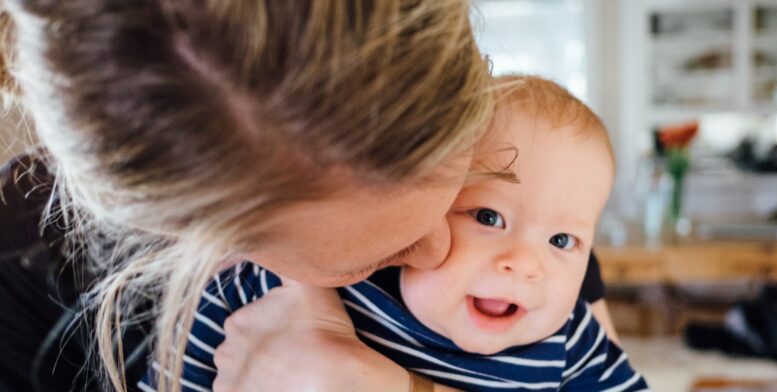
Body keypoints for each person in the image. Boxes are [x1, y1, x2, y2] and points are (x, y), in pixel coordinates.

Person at [0, 1, 620, 391]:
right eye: (379, 253)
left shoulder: (521, 195)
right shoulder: (21, 279)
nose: (441, 247)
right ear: (207, 240)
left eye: (462, 195)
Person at [144, 76, 646, 391]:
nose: (525, 261)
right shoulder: (288, 281)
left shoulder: (570, 337)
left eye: (562, 241)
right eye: (487, 218)